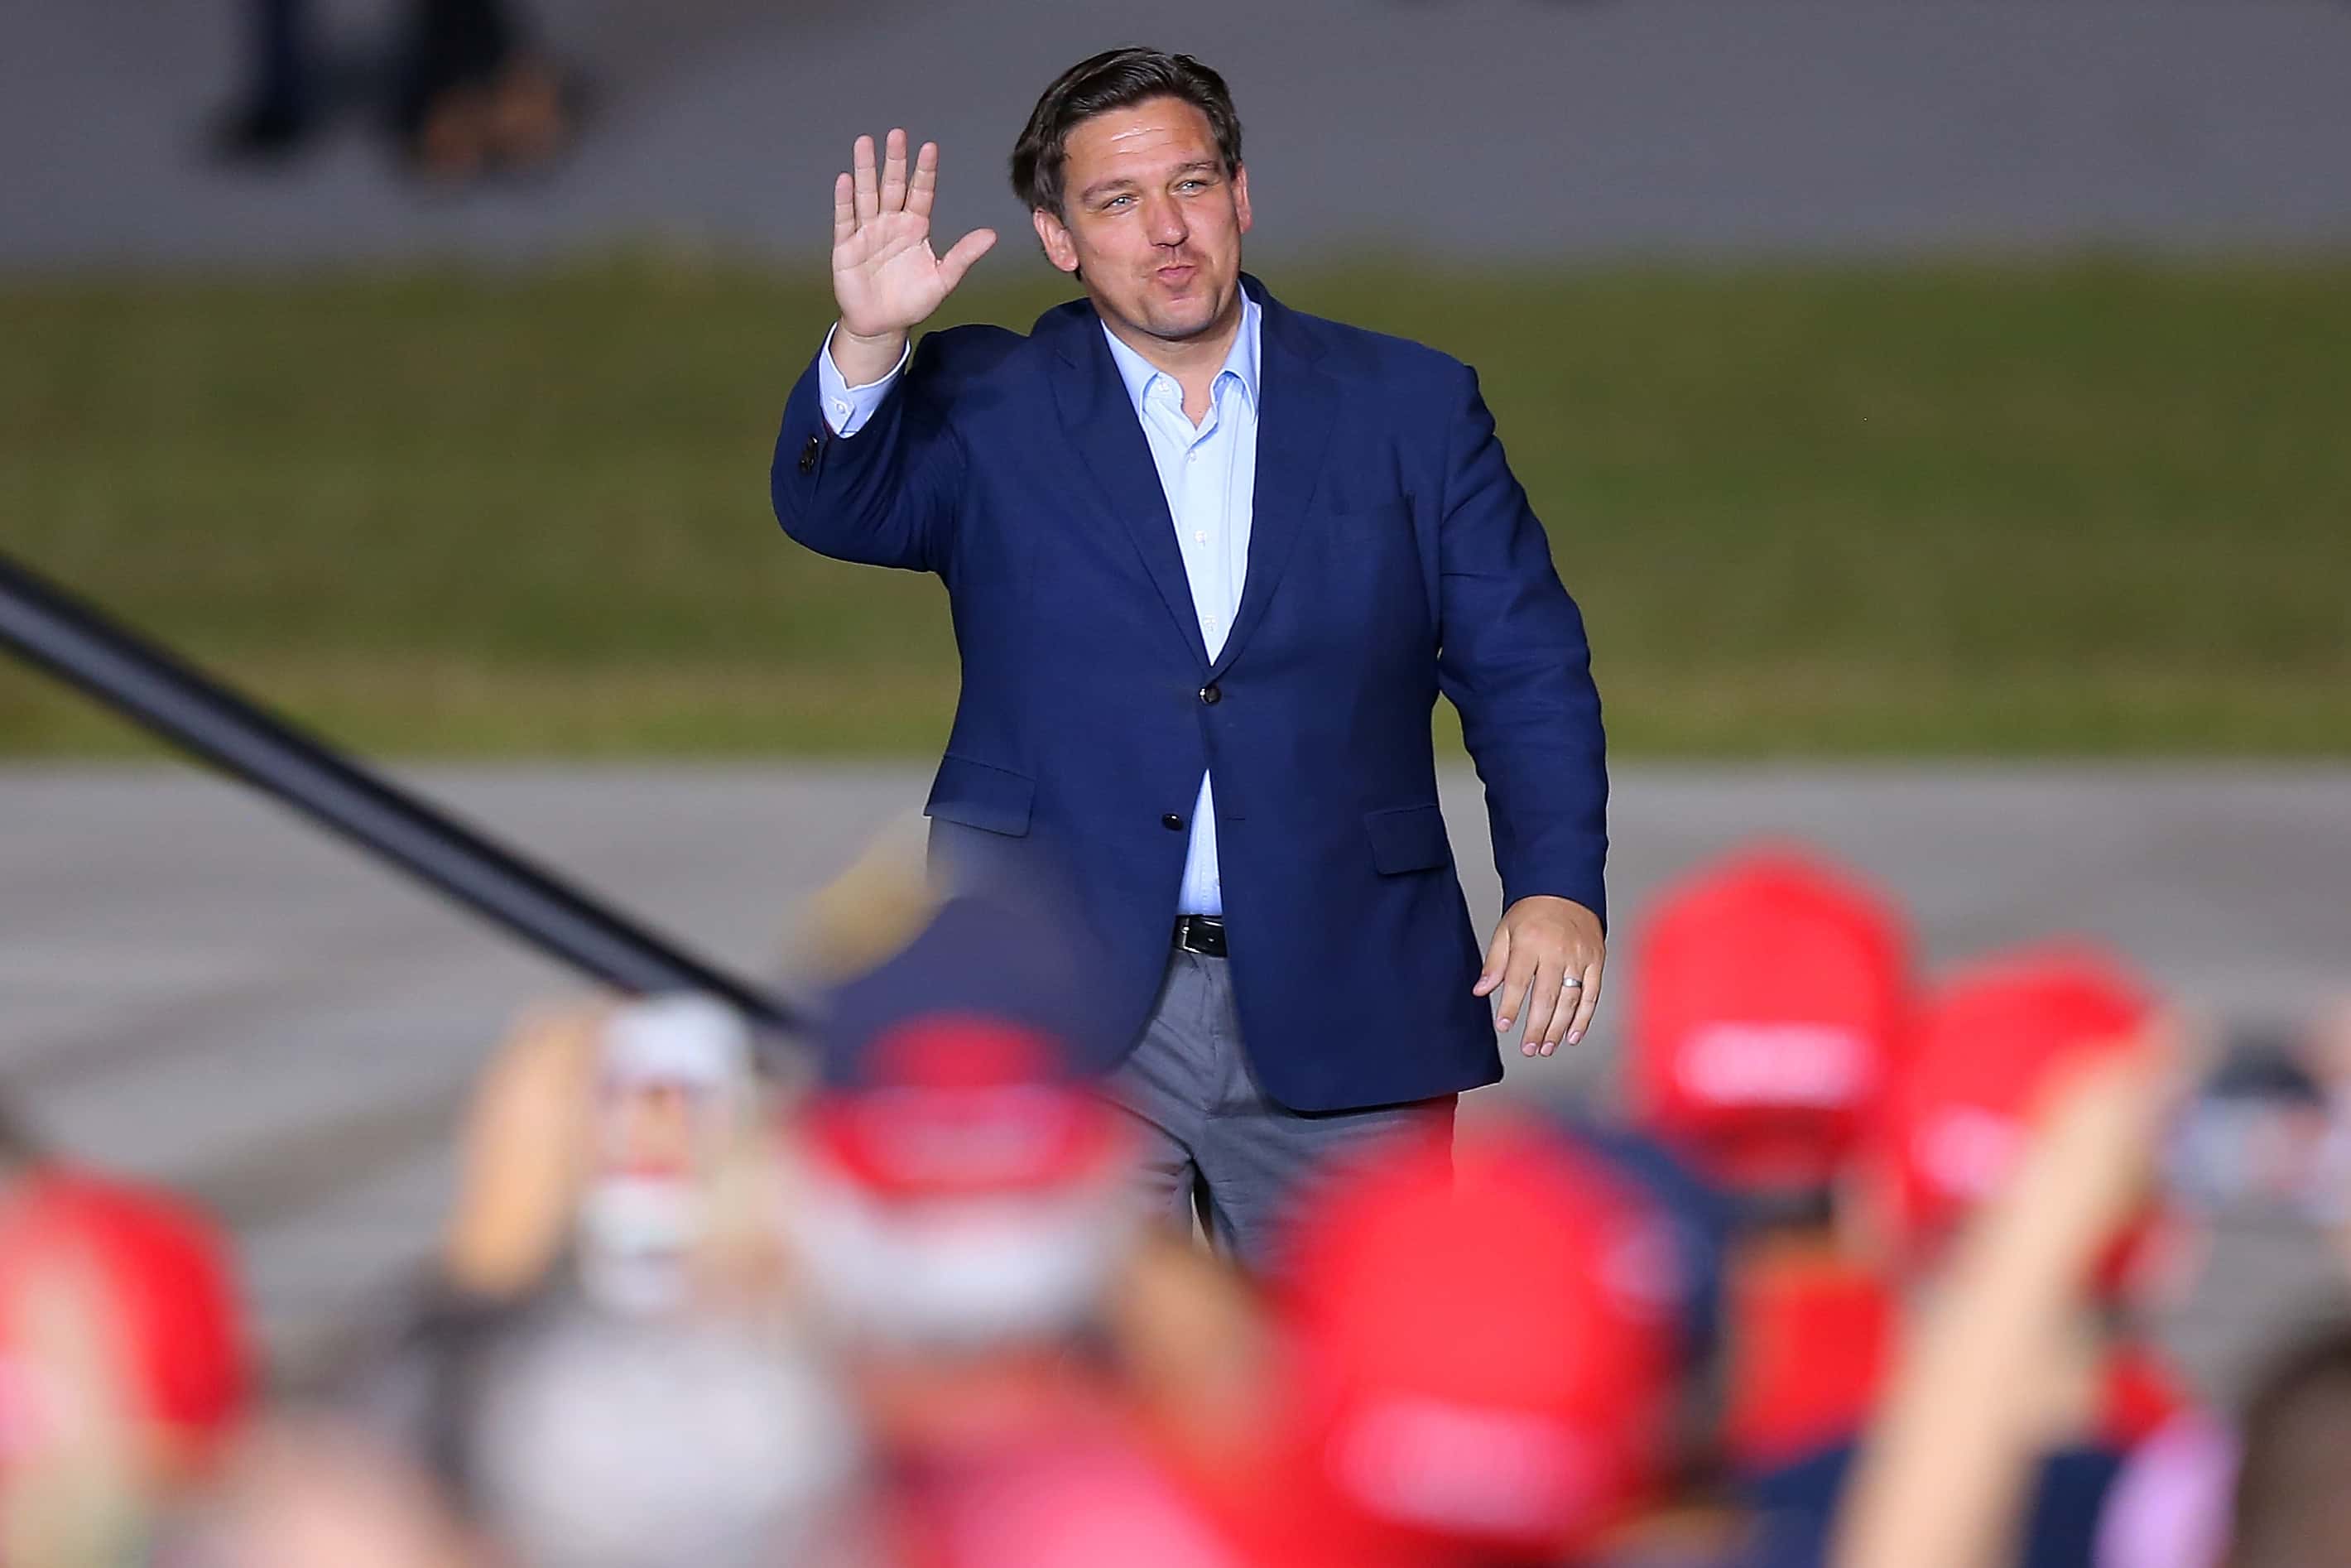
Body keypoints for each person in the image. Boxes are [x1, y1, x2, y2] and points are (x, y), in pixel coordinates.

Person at [768, 46, 1609, 1264]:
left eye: (1192, 185)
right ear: (1058, 238)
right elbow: (833, 505)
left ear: (1241, 195)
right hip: (1062, 998)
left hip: (1346, 985)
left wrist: (1556, 884)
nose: (1166, 230)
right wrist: (865, 344)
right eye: (1116, 201)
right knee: (1066, 1365)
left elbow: (1526, 667)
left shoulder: (1409, 408)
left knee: (1348, 1354)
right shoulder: (985, 402)